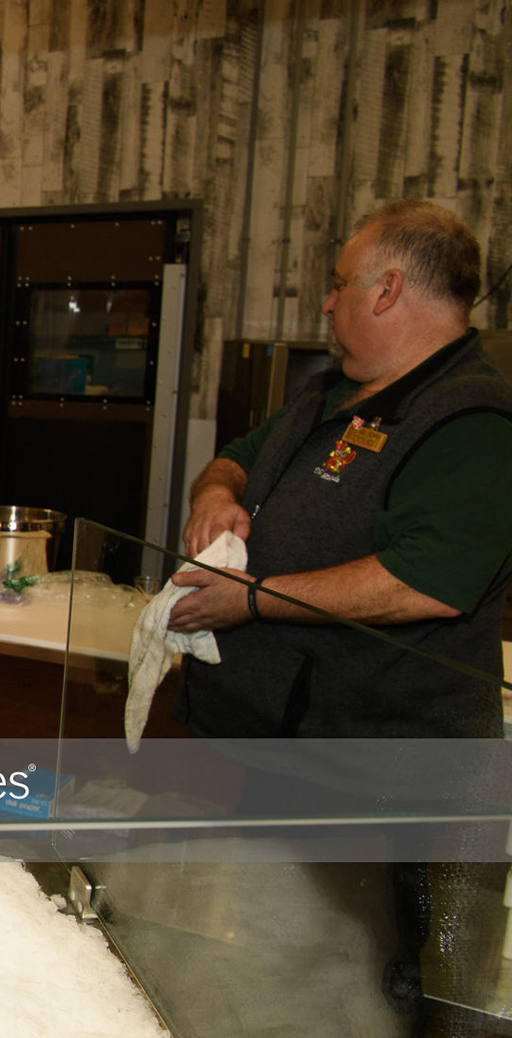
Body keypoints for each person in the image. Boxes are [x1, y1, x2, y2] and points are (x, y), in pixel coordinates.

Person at [169, 198, 512, 738]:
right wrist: (215, 496)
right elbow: (236, 457)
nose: (328, 304)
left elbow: (426, 585)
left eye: (340, 283)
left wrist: (254, 598)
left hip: (383, 765)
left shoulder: (475, 421)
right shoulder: (332, 390)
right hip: (283, 734)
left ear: (387, 290)